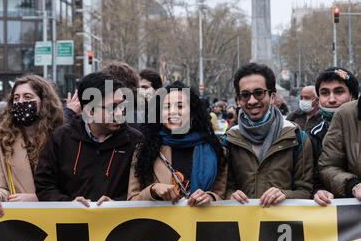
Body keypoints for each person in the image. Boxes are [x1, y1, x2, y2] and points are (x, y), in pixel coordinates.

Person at [34, 72, 143, 206]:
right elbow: (44, 184)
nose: (120, 113)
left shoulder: (136, 141)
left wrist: (116, 204)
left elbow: (141, 189)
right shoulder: (61, 138)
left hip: (119, 224)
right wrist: (69, 204)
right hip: (71, 223)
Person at [225, 63, 313, 207]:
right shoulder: (229, 139)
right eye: (245, 95)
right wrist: (230, 195)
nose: (252, 101)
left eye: (259, 93)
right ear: (239, 100)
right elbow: (223, 188)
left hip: (284, 226)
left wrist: (285, 194)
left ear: (272, 97)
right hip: (243, 225)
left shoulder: (297, 138)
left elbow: (306, 191)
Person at [128, 82, 227, 206]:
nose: (173, 112)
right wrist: (153, 191)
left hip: (201, 223)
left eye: (180, 106)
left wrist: (211, 198)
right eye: (167, 107)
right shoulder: (144, 150)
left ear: (192, 113)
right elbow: (131, 201)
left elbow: (224, 197)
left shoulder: (217, 151)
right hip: (159, 224)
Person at [0, 75, 64, 217]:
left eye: (27, 97)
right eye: (16, 98)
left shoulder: (62, 139)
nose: (21, 102)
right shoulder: (0, 143)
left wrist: (38, 198)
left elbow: (71, 186)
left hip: (56, 217)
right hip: (20, 222)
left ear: (44, 102)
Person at [309, 68, 360, 206]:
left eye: (339, 91)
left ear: (353, 96)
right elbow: (311, 178)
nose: (331, 99)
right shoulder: (311, 136)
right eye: (325, 93)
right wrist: (319, 191)